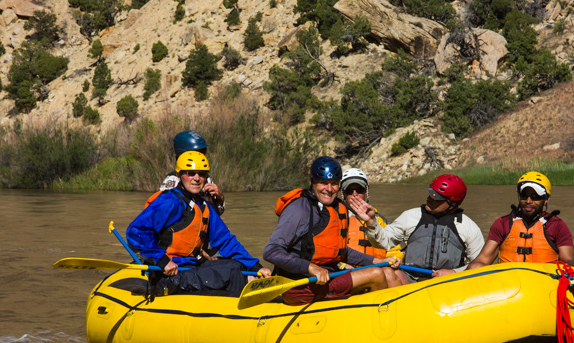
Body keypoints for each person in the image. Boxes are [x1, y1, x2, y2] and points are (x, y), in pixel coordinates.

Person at [127, 151, 270, 297]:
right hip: (168, 276)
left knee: (236, 265)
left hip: (190, 267)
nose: (196, 178)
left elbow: (226, 241)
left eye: (201, 174)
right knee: (230, 273)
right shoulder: (170, 202)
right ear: (179, 176)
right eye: (191, 173)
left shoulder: (203, 206)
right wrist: (162, 261)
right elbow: (135, 232)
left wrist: (256, 266)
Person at [263, 156, 403, 305]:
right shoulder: (299, 209)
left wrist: (378, 260)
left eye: (334, 184)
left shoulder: (337, 207)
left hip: (328, 278)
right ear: (312, 182)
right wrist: (311, 267)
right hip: (300, 285)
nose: (329, 189)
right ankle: (377, 319)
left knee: (384, 270)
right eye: (323, 183)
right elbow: (271, 251)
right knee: (375, 274)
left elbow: (340, 251)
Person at [346, 174, 485, 281]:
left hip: (446, 281)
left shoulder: (469, 227)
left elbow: (481, 265)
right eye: (430, 193)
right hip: (410, 280)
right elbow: (384, 242)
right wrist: (371, 222)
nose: (429, 199)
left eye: (436, 198)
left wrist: (454, 273)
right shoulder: (410, 216)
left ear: (452, 204)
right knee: (389, 273)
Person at [467, 171, 574, 268]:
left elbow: (569, 263)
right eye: (524, 196)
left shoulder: (556, 225)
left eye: (535, 196)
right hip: (509, 283)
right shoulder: (503, 223)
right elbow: (482, 260)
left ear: (546, 200)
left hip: (544, 282)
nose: (528, 201)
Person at [145, 130, 225, 214]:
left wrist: (220, 198)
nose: (197, 178)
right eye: (197, 153)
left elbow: (216, 214)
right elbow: (159, 213)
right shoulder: (172, 181)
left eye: (202, 153)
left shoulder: (206, 178)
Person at [339, 168, 401, 261]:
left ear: (366, 192)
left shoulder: (379, 220)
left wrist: (395, 259)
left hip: (379, 268)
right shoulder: (336, 219)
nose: (355, 194)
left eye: (359, 190)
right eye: (349, 191)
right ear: (343, 194)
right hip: (349, 271)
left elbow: (394, 249)